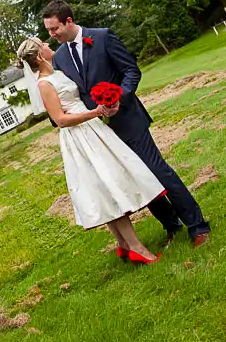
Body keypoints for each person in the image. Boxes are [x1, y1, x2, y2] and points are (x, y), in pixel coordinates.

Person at [40, 0, 211, 248]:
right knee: (137, 178)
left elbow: (132, 71)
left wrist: (119, 96)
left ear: (69, 21)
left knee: (158, 171)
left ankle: (197, 226)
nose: (51, 35)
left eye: (54, 29)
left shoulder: (103, 36)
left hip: (128, 120)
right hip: (99, 132)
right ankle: (171, 225)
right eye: (48, 31)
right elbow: (65, 92)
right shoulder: (61, 58)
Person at [15, 36, 164, 263]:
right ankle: (137, 248)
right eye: (43, 45)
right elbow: (60, 119)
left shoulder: (57, 71)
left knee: (105, 184)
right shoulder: (44, 84)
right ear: (38, 56)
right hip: (81, 136)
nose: (48, 45)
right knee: (107, 185)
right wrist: (96, 112)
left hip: (92, 129)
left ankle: (124, 244)